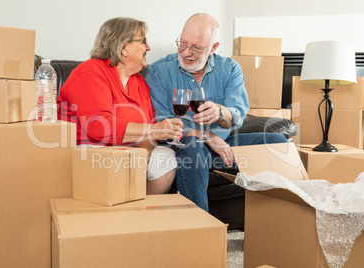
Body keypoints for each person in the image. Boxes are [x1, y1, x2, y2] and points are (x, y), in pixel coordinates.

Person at [144, 13, 288, 211]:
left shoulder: (229, 69)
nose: (186, 52)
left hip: (222, 147)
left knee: (279, 144)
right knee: (193, 146)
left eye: (196, 48)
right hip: (184, 146)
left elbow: (236, 116)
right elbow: (163, 125)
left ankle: (279, 217)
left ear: (213, 48)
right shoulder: (159, 71)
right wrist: (208, 136)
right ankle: (201, 228)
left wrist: (221, 112)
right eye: (183, 43)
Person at [57, 17, 183, 194]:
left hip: (125, 151)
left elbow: (149, 133)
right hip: (87, 149)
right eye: (143, 41)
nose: (148, 48)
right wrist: (153, 130)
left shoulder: (139, 82)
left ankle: (142, 212)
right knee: (112, 160)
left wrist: (142, 158)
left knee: (166, 157)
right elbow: (98, 127)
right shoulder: (91, 72)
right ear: (123, 47)